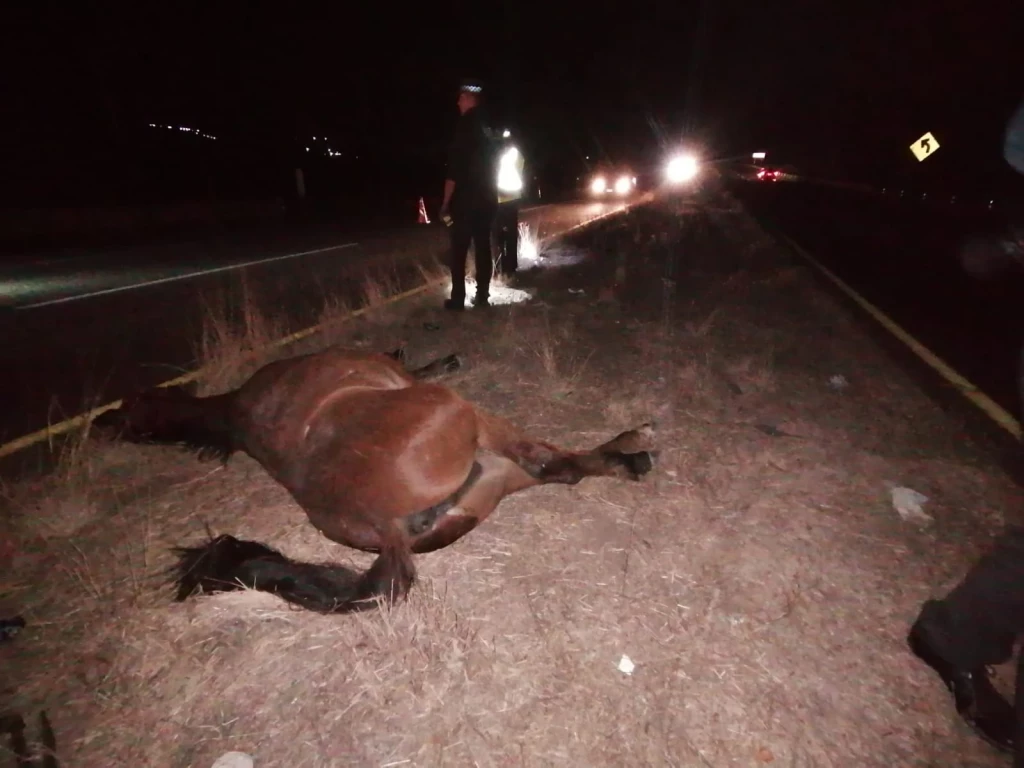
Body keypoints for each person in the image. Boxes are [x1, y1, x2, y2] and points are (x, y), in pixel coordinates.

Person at [439, 78, 499, 311]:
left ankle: (457, 299)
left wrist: (445, 203)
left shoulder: (464, 127)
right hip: (488, 198)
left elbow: (453, 170)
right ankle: (482, 297)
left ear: (468, 100)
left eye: (460, 98)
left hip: (466, 200)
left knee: (459, 251)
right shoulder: (488, 128)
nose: (457, 103)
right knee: (483, 247)